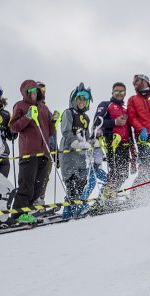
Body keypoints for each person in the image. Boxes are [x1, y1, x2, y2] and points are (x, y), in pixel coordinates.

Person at [9, 80, 56, 223]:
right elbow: (13, 127)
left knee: (39, 184)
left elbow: (49, 131)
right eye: (30, 92)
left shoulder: (43, 107)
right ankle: (17, 214)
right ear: (25, 93)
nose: (33, 94)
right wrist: (27, 117)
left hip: (44, 151)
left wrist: (54, 121)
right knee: (27, 184)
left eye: (35, 91)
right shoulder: (21, 106)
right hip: (29, 151)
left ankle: (28, 211)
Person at [93, 82, 132, 202]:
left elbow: (128, 129)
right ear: (112, 93)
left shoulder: (125, 109)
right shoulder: (106, 104)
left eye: (122, 91)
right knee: (114, 173)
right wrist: (114, 122)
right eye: (117, 91)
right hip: (112, 142)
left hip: (125, 145)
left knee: (124, 174)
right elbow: (97, 121)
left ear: (125, 93)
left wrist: (133, 149)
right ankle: (104, 200)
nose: (119, 94)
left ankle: (111, 195)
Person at [59, 84, 93, 220]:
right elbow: (66, 131)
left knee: (82, 180)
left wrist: (91, 143)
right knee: (72, 180)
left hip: (81, 154)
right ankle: (77, 207)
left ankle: (68, 211)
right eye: (79, 99)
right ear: (74, 99)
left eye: (85, 99)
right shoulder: (68, 113)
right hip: (69, 151)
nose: (82, 102)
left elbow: (87, 135)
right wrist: (75, 143)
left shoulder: (86, 117)